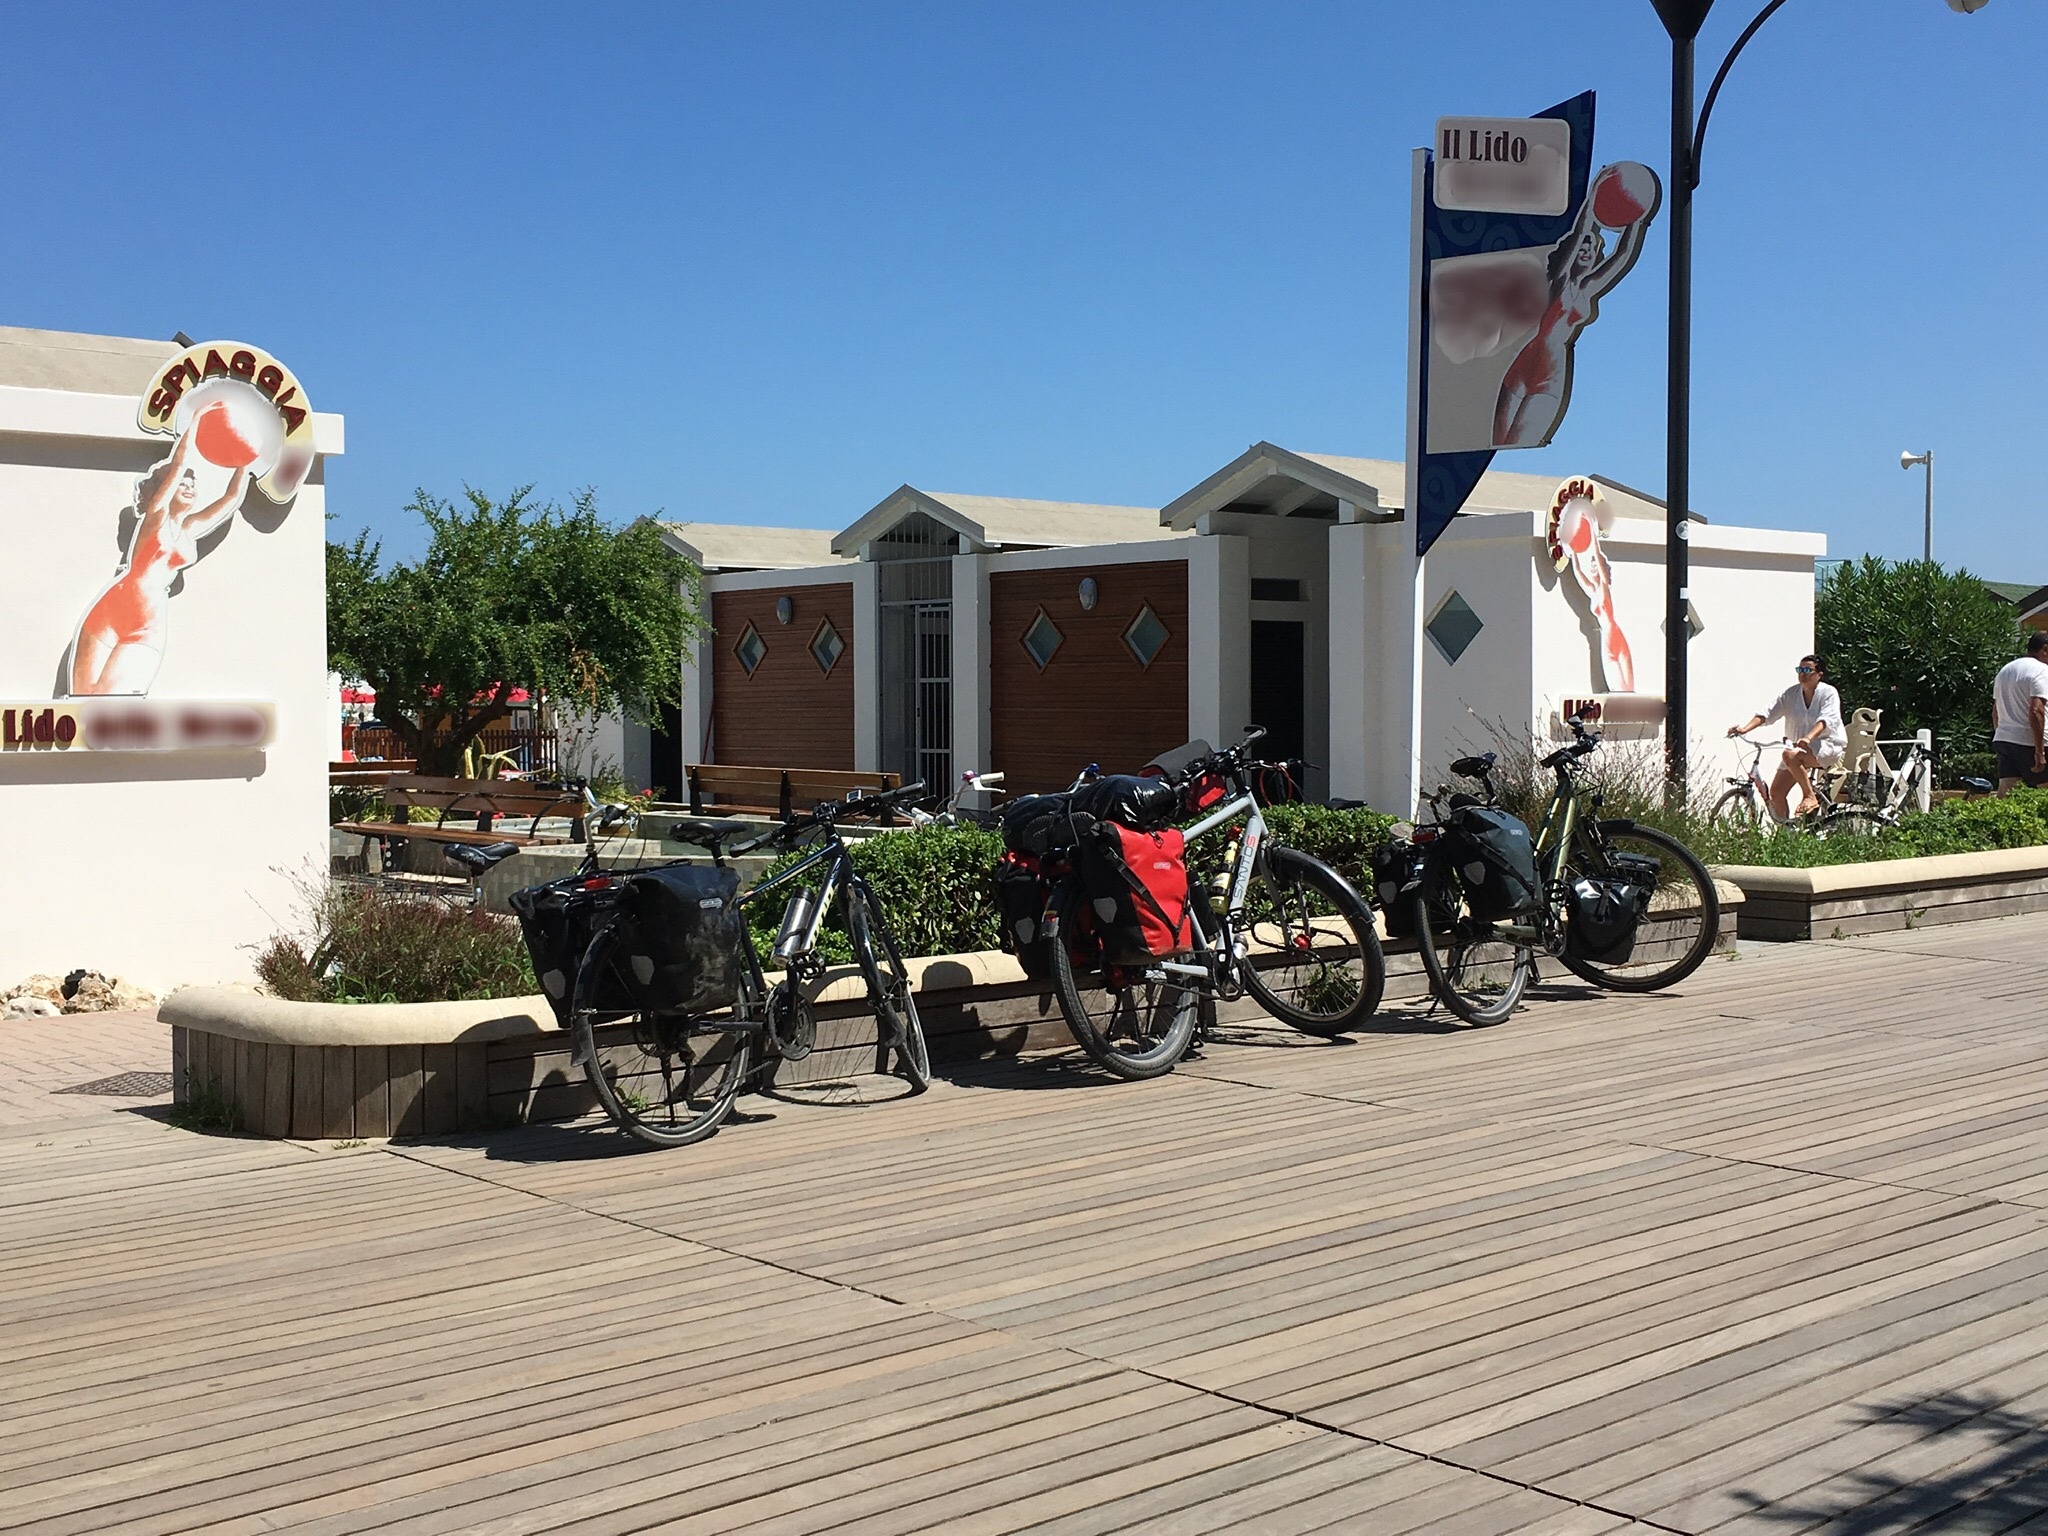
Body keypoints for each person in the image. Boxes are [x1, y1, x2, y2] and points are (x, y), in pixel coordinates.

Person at [66, 431, 250, 696]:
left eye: (192, 484)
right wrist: (195, 421)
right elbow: (178, 463)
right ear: (165, 489)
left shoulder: (189, 529)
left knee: (115, 700)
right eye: (181, 483)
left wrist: (246, 462)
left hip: (146, 621)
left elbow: (230, 500)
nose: (188, 487)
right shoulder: (155, 517)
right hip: (111, 609)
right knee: (81, 697)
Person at [1492, 195, 1652, 449]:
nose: (1587, 251)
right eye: (1582, 248)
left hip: (1550, 374)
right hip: (1523, 364)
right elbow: (1580, 231)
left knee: (1519, 440)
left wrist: (1638, 220)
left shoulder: (1587, 289)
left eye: (1592, 248)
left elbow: (1621, 257)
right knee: (1497, 442)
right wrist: (1592, 199)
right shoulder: (1558, 281)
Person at [1728, 655, 1847, 819]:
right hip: (1797, 750)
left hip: (1826, 745)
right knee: (1776, 793)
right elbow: (1768, 713)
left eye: (1808, 670)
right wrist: (1744, 729)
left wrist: (1808, 738)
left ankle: (1809, 796)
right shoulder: (1792, 694)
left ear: (1819, 674)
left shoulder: (1828, 693)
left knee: (1788, 755)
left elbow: (1826, 720)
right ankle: (1786, 831)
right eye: (1800, 670)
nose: (1802, 674)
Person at [1992, 630, 2048, 793]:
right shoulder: (2042, 671)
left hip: (2005, 740)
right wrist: (2039, 752)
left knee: (2006, 791)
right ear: (2045, 649)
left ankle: (1994, 812)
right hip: (2031, 742)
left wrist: (2002, 734)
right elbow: (2036, 710)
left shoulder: (2006, 670)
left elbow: (1995, 710)